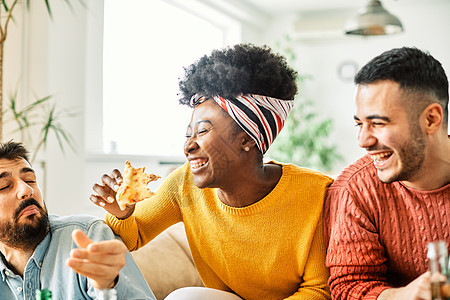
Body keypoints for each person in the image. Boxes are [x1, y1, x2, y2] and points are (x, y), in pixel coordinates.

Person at [91, 43, 333, 300]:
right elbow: (132, 237)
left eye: (203, 131)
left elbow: (319, 290)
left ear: (247, 139)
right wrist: (122, 213)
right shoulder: (184, 184)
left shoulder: (318, 195)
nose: (188, 146)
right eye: (188, 134)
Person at [324, 47, 450, 300]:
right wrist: (402, 295)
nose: (363, 140)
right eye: (360, 123)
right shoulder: (355, 189)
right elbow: (349, 287)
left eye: (378, 123)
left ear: (431, 119)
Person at [0, 141, 155, 299]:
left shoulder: (89, 236)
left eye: (30, 180)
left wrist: (110, 285)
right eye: (4, 186)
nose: (27, 189)